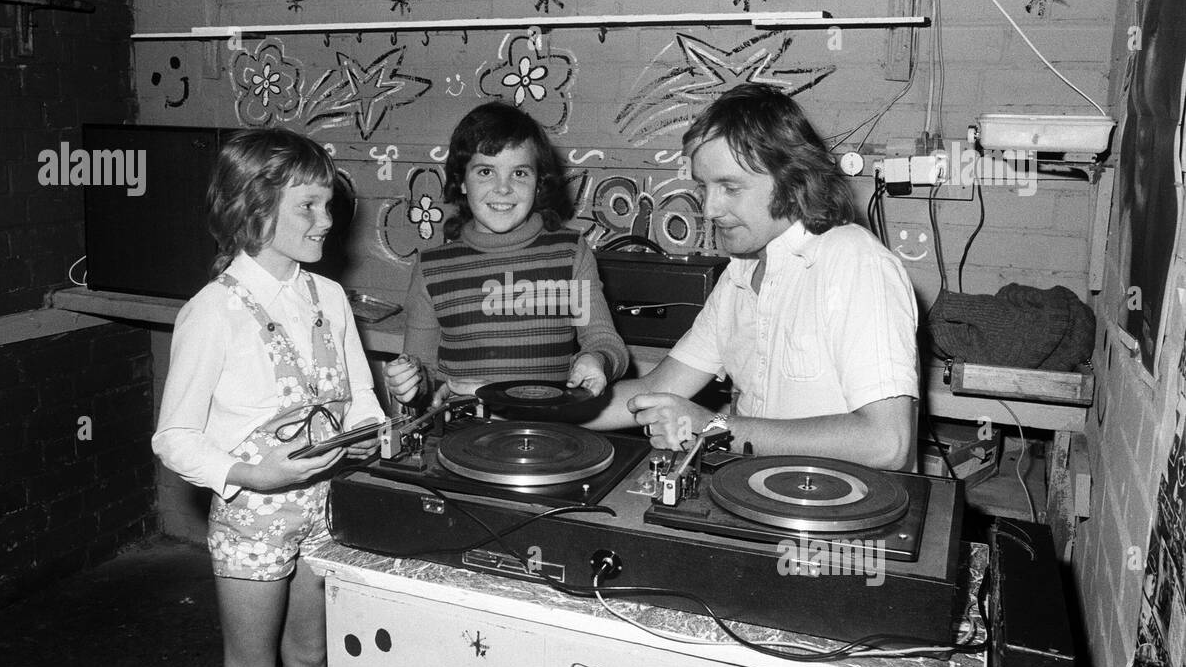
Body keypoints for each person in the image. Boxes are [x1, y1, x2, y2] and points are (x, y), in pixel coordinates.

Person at [152, 129, 384, 667]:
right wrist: (255, 473)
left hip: (323, 507)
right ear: (253, 208)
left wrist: (368, 431)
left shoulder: (329, 297)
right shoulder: (213, 311)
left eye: (328, 204)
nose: (326, 220)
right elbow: (173, 437)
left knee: (311, 656)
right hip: (252, 517)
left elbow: (361, 398)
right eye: (307, 205)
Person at [586, 83, 919, 471]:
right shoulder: (740, 275)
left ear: (792, 181)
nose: (710, 209)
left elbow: (886, 443)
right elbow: (651, 391)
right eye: (703, 186)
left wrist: (711, 426)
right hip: (758, 498)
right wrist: (530, 409)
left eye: (729, 187)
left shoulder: (855, 262)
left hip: (842, 521)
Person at [386, 102, 629, 406]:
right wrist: (411, 383)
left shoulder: (570, 253)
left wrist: (597, 360)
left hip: (548, 434)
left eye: (519, 173)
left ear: (538, 183)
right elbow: (422, 371)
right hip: (461, 437)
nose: (503, 188)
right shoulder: (432, 267)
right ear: (461, 180)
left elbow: (605, 342)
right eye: (486, 171)